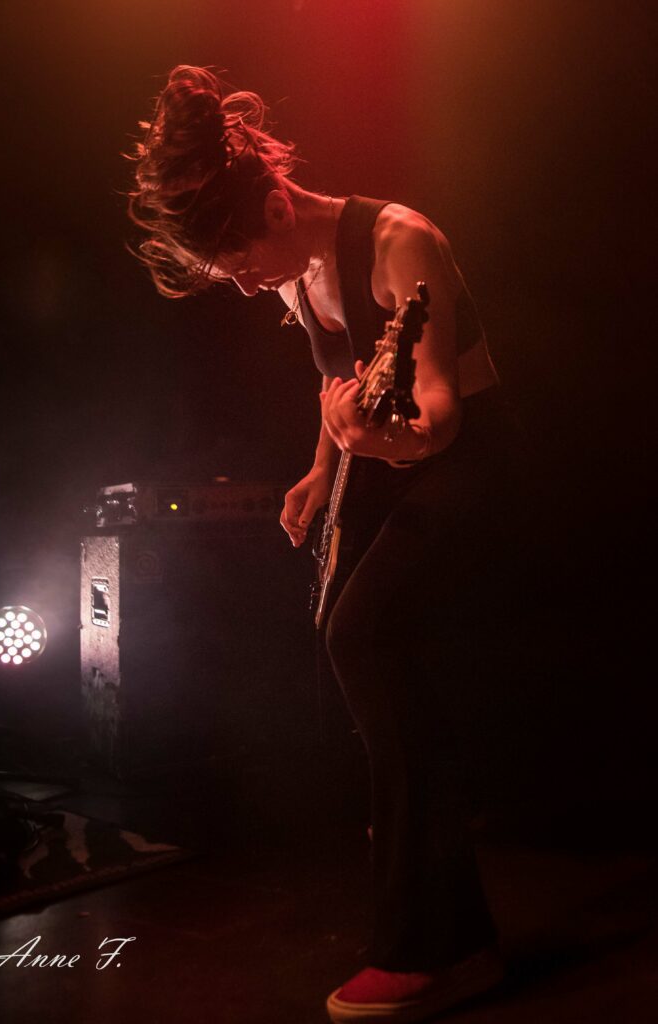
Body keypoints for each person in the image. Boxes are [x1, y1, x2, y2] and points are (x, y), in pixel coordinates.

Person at [128, 65, 510, 1023]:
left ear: (273, 203)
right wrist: (319, 464)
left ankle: (426, 944)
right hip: (381, 458)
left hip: (465, 460)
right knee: (373, 677)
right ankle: (453, 923)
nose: (243, 284)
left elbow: (437, 416)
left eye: (240, 262)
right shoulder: (294, 264)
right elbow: (342, 377)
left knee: (360, 638)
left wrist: (368, 446)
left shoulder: (400, 242)